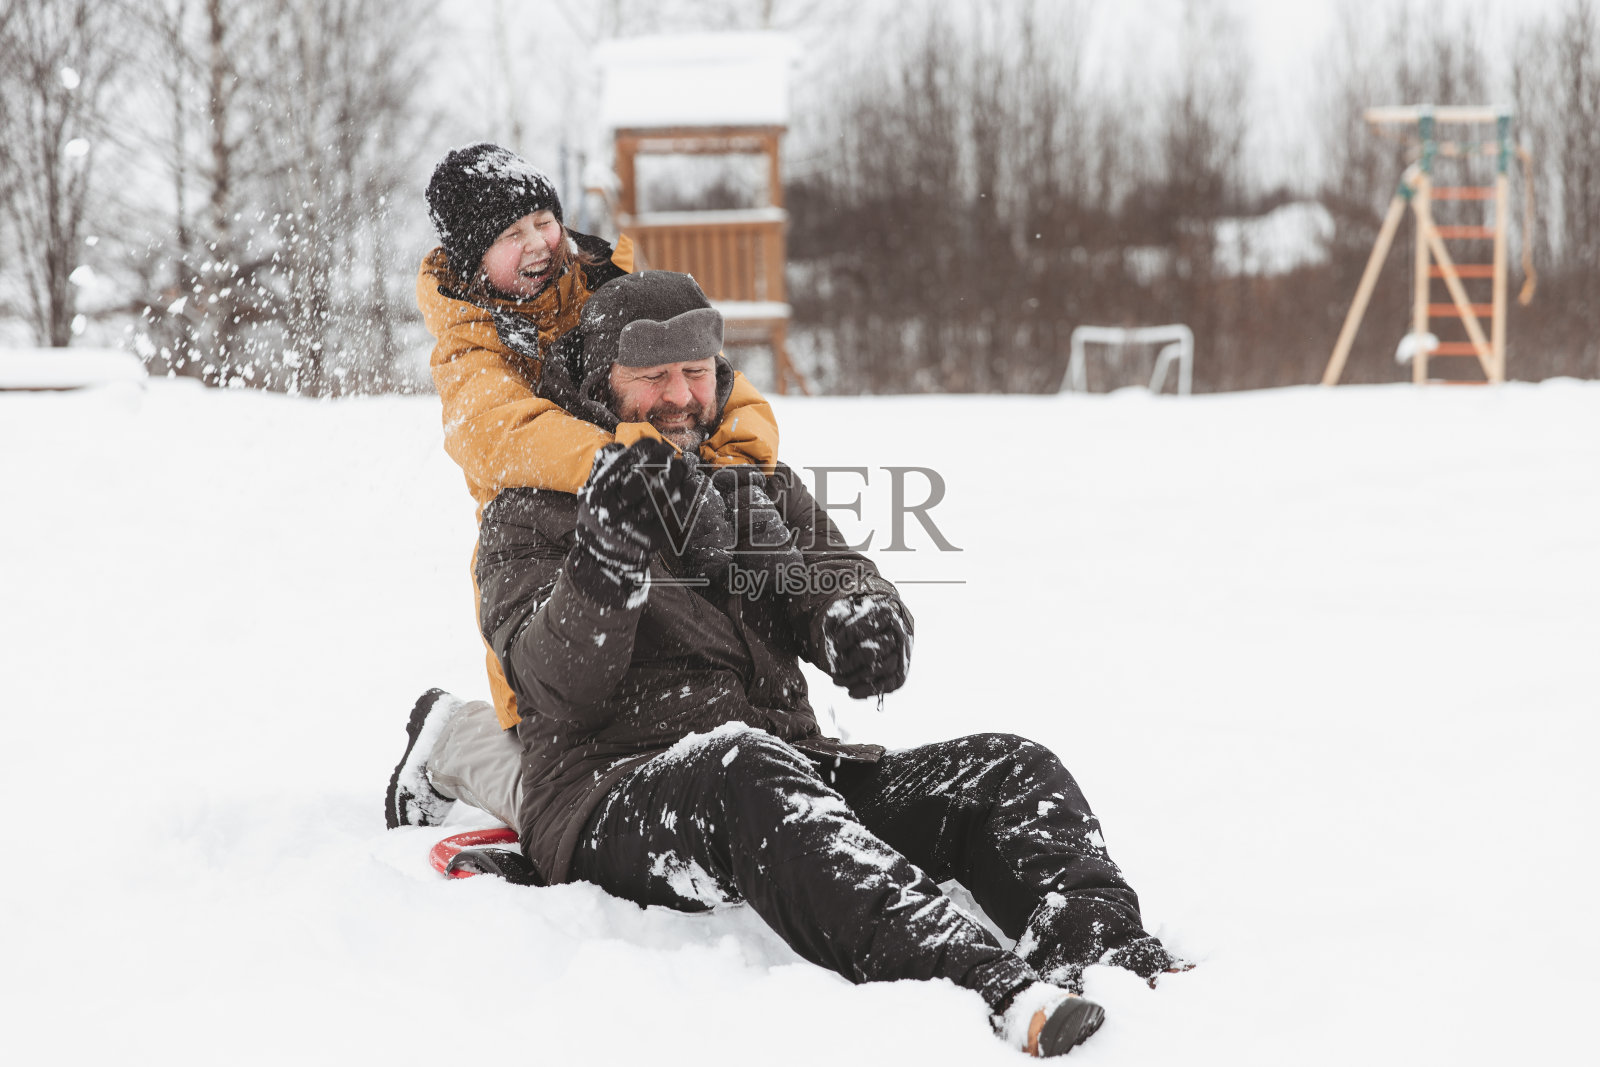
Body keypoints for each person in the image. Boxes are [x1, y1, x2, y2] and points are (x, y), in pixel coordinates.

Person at [391, 270, 1187, 1057]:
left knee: (1008, 767)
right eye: (652, 378)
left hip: (785, 774)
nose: (679, 397)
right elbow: (552, 685)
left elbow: (836, 576)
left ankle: (1105, 953)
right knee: (743, 766)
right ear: (603, 384)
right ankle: (987, 984)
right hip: (616, 794)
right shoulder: (530, 509)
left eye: (695, 373)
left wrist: (862, 622)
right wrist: (607, 560)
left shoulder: (749, 486)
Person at [411, 141, 781, 742]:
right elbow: (505, 433)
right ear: (474, 258)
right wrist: (636, 467)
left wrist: (727, 473)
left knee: (672, 698)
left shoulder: (609, 285)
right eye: (511, 235)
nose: (537, 243)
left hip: (666, 529)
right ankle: (451, 747)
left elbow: (720, 390)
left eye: (544, 222)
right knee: (556, 743)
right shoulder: (469, 344)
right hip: (544, 547)